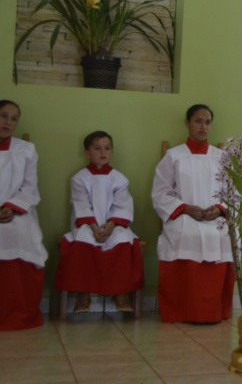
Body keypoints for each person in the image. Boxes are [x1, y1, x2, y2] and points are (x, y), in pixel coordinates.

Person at [151, 104, 233, 324]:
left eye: (207, 122)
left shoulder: (221, 157)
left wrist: (219, 208)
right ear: (187, 123)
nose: (203, 126)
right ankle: (181, 311)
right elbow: (160, 193)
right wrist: (186, 208)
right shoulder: (174, 156)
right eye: (198, 121)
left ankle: (214, 310)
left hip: (214, 218)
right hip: (184, 217)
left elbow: (232, 193)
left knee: (221, 235)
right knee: (187, 235)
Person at [55, 131, 143, 313]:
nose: (103, 152)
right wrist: (94, 227)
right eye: (97, 148)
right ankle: (83, 293)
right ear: (87, 153)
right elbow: (81, 205)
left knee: (123, 240)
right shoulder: (79, 178)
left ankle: (120, 293)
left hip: (114, 224)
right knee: (83, 240)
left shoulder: (119, 179)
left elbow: (123, 206)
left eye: (107, 148)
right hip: (88, 224)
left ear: (112, 152)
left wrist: (111, 225)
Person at [0, 100, 46, 330]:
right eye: (3, 116)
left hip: (15, 210)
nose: (8, 122)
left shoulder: (26, 150)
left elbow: (30, 187)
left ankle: (18, 312)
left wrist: (11, 207)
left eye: (13, 118)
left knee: (20, 232)